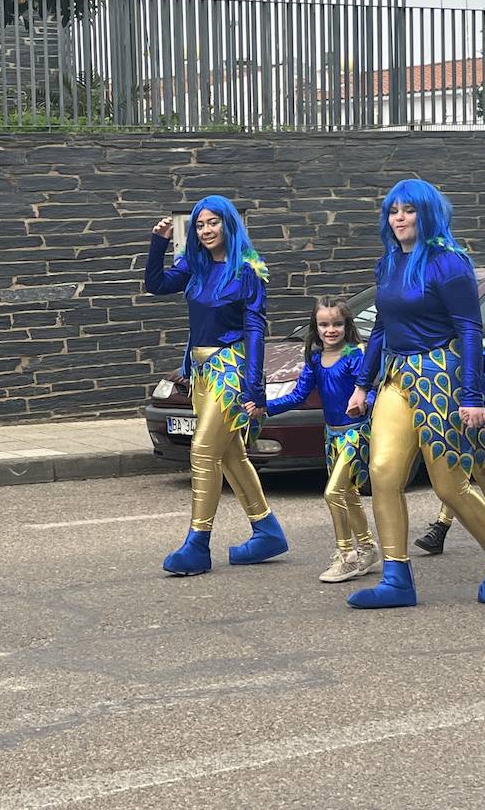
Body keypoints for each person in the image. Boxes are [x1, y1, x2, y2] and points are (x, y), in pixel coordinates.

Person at [344, 178, 485, 609]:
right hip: (396, 375)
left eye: (408, 210)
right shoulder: (387, 264)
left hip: (441, 374)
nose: (399, 218)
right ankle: (396, 579)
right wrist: (362, 384)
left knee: (449, 485)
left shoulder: (450, 262)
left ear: (427, 214)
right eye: (393, 211)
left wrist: (472, 394)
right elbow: (380, 329)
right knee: (383, 472)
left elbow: (469, 329)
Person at [143, 196, 289, 576]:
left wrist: (254, 386)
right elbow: (155, 285)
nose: (206, 230)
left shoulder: (247, 270)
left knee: (204, 452)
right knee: (230, 456)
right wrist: (158, 242)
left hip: (231, 369)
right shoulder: (194, 264)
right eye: (199, 225)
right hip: (201, 372)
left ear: (229, 225)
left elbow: (255, 330)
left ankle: (198, 544)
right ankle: (267, 530)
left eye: (213, 223)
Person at [262, 296, 381, 584]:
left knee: (334, 494)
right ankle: (367, 547)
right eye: (324, 324)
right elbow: (298, 395)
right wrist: (264, 406)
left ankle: (346, 556)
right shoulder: (315, 359)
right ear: (315, 328)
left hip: (356, 433)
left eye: (337, 324)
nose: (331, 330)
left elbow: (372, 390)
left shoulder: (355, 356)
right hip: (332, 435)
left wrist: (364, 403)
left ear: (346, 325)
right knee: (348, 494)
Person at [413, 325, 485, 555]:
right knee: (459, 472)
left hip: (477, 416)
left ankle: (448, 528)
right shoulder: (439, 348)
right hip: (451, 417)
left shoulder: (478, 346)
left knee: (477, 471)